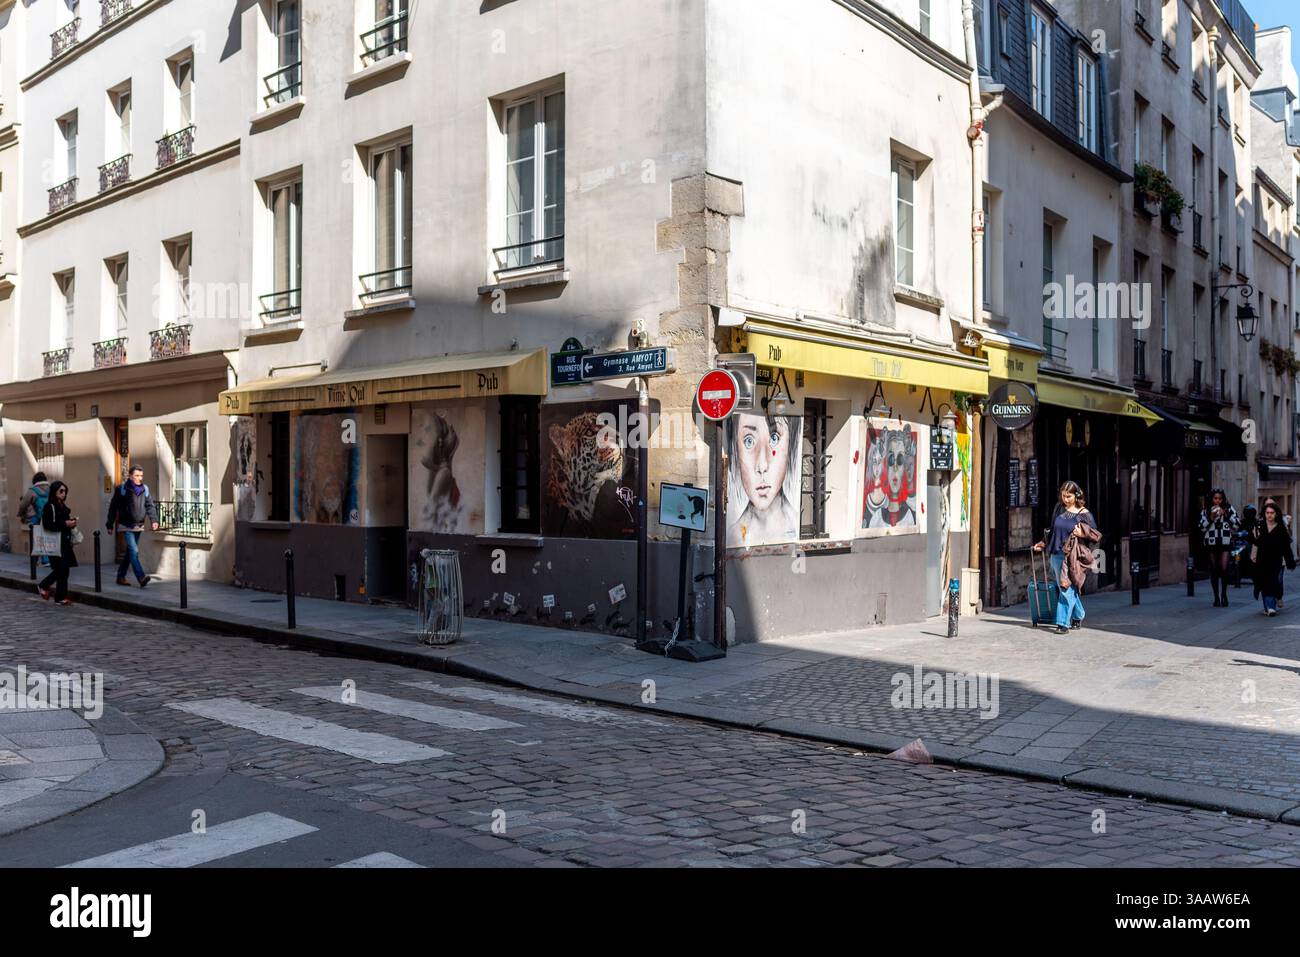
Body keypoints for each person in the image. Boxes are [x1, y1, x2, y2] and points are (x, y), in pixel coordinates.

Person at [1033, 480, 1101, 635]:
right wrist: (1043, 543)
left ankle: (1062, 623)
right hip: (1056, 554)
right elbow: (1052, 529)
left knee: (1065, 588)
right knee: (1066, 587)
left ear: (1076, 496)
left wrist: (1081, 533)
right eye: (1063, 496)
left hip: (1072, 557)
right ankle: (1078, 614)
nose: (1065, 499)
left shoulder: (1084, 514)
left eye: (1069, 496)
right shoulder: (1059, 508)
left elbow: (1096, 535)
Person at [727, 412, 799, 546]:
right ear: (735, 450)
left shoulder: (797, 525)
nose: (762, 466)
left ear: (790, 445)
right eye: (749, 441)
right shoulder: (731, 535)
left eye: (774, 439)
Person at [105, 465, 159, 588]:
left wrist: (154, 520)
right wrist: (110, 524)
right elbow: (113, 507)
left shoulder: (145, 489)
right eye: (137, 476)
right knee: (134, 550)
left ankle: (120, 576)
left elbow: (149, 505)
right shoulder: (122, 489)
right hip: (126, 525)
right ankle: (141, 577)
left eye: (141, 476)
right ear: (130, 476)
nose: (140, 478)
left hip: (138, 525)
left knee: (130, 552)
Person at [37, 481, 78, 606]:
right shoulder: (50, 506)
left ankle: (60, 597)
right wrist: (65, 524)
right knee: (61, 569)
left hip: (64, 541)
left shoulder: (62, 505)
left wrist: (71, 523)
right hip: (55, 542)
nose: (63, 493)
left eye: (65, 491)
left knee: (65, 571)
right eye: (61, 491)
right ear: (54, 492)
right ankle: (43, 585)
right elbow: (48, 525)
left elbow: (62, 521)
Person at [1252, 501, 1295, 617]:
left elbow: (1286, 547)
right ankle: (1267, 607)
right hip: (1262, 560)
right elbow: (1255, 542)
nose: (1269, 515)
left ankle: (1271, 607)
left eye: (1272, 513)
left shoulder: (1281, 528)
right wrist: (1253, 556)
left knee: (1273, 581)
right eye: (1267, 513)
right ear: (1264, 513)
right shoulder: (1259, 526)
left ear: (1276, 514)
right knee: (1263, 583)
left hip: (1275, 560)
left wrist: (1290, 561)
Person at [1198, 488, 1240, 607]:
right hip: (1211, 542)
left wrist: (1226, 515)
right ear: (1212, 499)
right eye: (1215, 498)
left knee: (1224, 568)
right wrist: (1211, 517)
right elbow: (1201, 527)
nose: (1218, 501)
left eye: (1220, 499)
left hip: (1225, 541)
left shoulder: (1229, 508)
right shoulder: (1206, 510)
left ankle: (1224, 595)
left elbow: (1237, 524)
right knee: (1214, 569)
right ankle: (1216, 597)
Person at [15, 471, 51, 577]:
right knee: (49, 537)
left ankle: (43, 560)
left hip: (38, 517)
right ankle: (49, 559)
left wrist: (20, 514)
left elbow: (23, 504)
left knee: (38, 538)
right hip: (50, 517)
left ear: (35, 481)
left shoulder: (33, 491)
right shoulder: (51, 489)